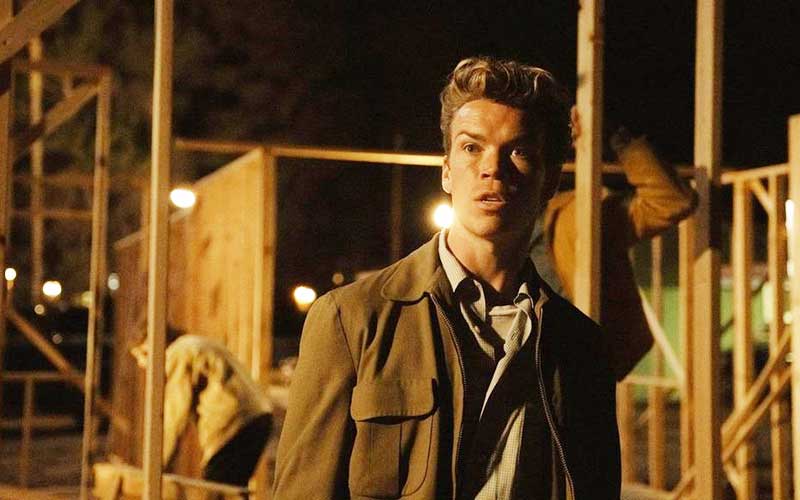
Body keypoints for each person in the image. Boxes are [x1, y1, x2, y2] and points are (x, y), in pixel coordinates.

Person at [274, 56, 620, 499]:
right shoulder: (352, 320)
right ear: (446, 171)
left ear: (550, 180)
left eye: (518, 151)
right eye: (472, 148)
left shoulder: (581, 349)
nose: (492, 168)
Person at [531, 121, 698, 381]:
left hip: (578, 367)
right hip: (519, 369)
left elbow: (672, 202)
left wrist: (617, 141)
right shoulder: (481, 230)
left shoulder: (579, 215)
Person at [130, 327, 273, 487]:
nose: (142, 364)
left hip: (233, 425)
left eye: (144, 354)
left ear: (155, 342)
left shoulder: (178, 352)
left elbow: (176, 413)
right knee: (232, 488)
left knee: (216, 489)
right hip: (258, 417)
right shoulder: (196, 343)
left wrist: (155, 469)